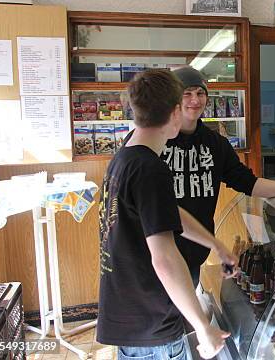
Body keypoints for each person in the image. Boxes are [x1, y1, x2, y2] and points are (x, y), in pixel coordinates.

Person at [97, 69, 231, 359]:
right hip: (151, 322)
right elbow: (165, 259)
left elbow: (168, 212)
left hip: (131, 313)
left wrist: (215, 244)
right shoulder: (150, 169)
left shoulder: (126, 157)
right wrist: (202, 326)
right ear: (174, 112)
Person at [163, 66, 275, 284]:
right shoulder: (155, 139)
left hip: (194, 253)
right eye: (186, 93)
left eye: (200, 93)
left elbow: (249, 183)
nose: (194, 100)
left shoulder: (215, 144)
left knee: (182, 314)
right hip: (154, 253)